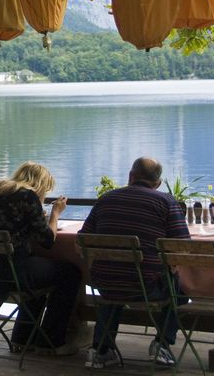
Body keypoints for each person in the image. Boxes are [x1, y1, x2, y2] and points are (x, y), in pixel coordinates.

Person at [79, 156, 190, 369]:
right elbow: (182, 246)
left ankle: (101, 349)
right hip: (145, 287)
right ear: (157, 183)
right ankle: (162, 344)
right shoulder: (165, 202)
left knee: (115, 286)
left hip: (103, 283)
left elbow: (82, 241)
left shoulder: (106, 199)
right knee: (178, 289)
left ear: (131, 176)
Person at [0, 161, 81, 356]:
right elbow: (47, 240)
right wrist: (55, 213)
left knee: (37, 273)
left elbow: (7, 224)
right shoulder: (27, 196)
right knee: (70, 273)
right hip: (12, 273)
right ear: (39, 184)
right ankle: (52, 341)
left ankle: (22, 338)